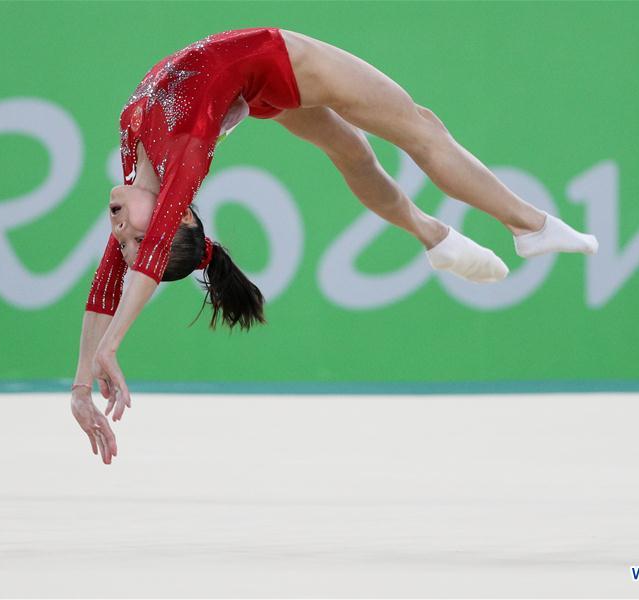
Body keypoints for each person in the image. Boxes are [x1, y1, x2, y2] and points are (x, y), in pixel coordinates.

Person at [70, 27, 598, 464]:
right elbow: (146, 257)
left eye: (127, 240)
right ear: (178, 216)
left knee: (353, 153)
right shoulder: (179, 166)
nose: (119, 233)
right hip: (278, 61)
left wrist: (81, 383)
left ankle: (433, 235)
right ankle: (527, 225)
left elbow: (108, 282)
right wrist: (108, 348)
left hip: (254, 88)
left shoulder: (140, 176)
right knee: (419, 128)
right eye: (137, 238)